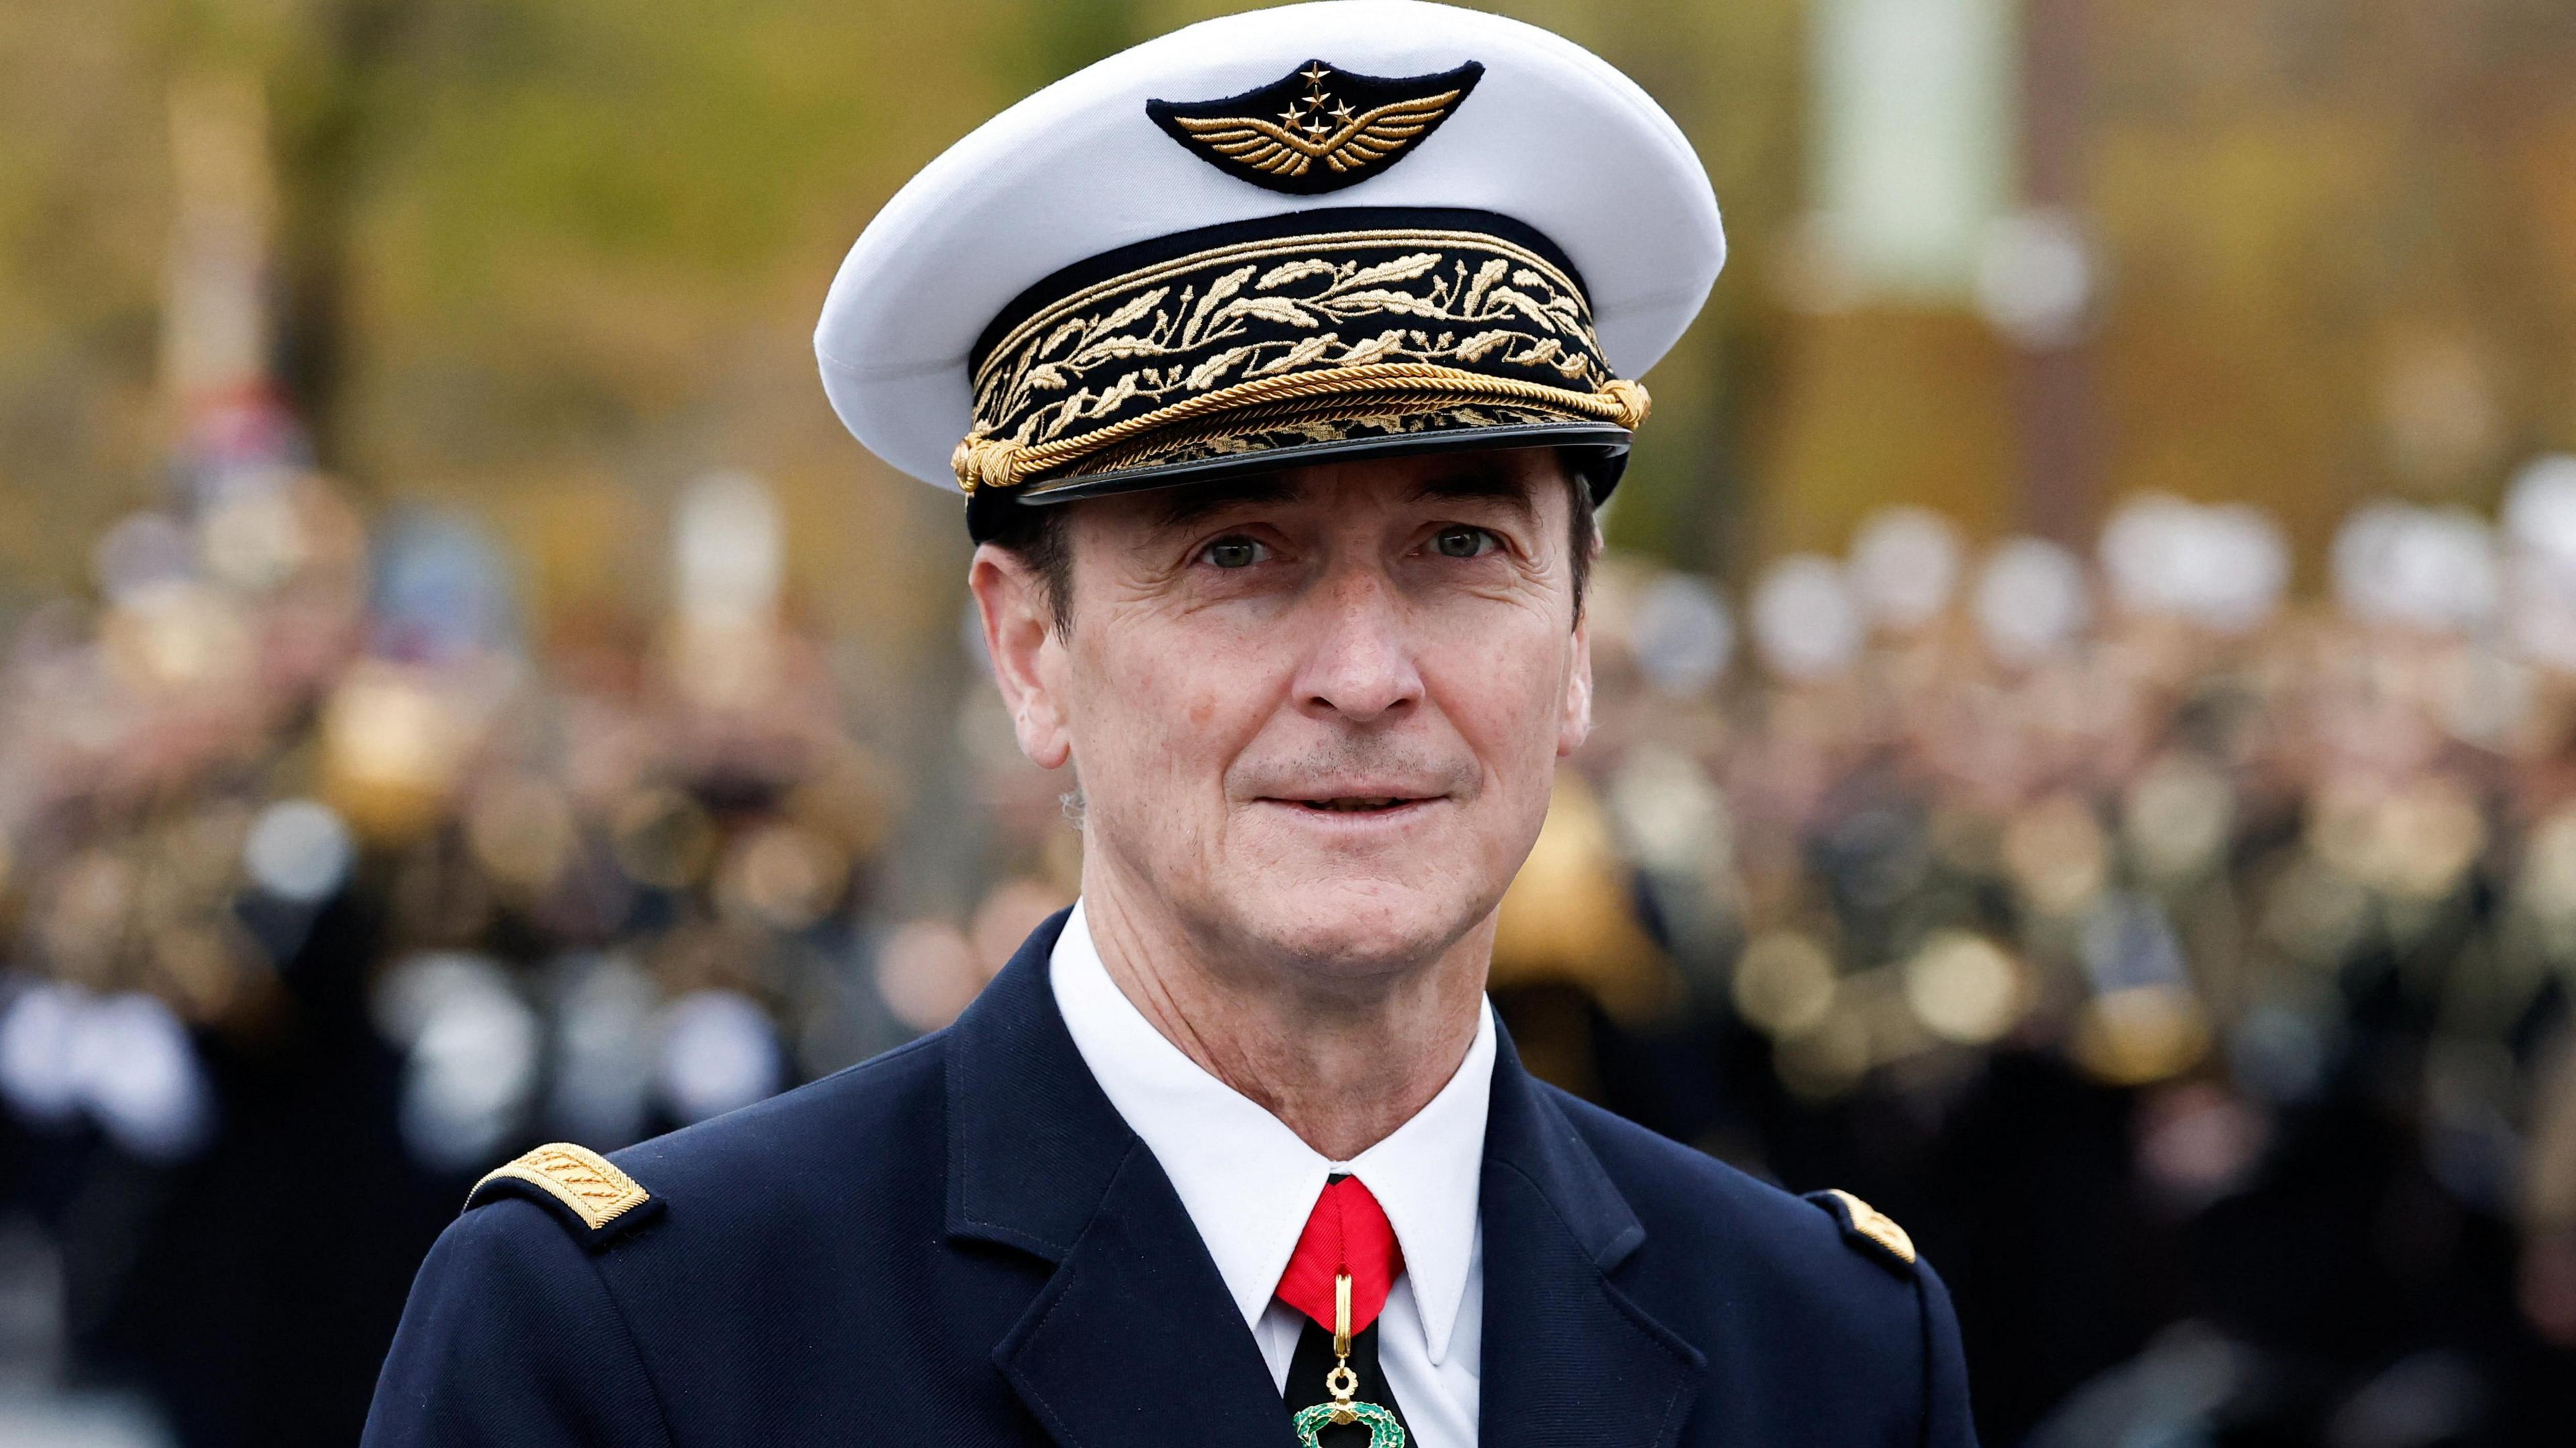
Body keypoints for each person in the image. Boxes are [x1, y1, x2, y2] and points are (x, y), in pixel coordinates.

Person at [361, 3, 1976, 1444]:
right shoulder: (645, 1342)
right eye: (1238, 554)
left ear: (1575, 639)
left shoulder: (1828, 1348)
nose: (1365, 673)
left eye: (1460, 545)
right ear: (1030, 650)